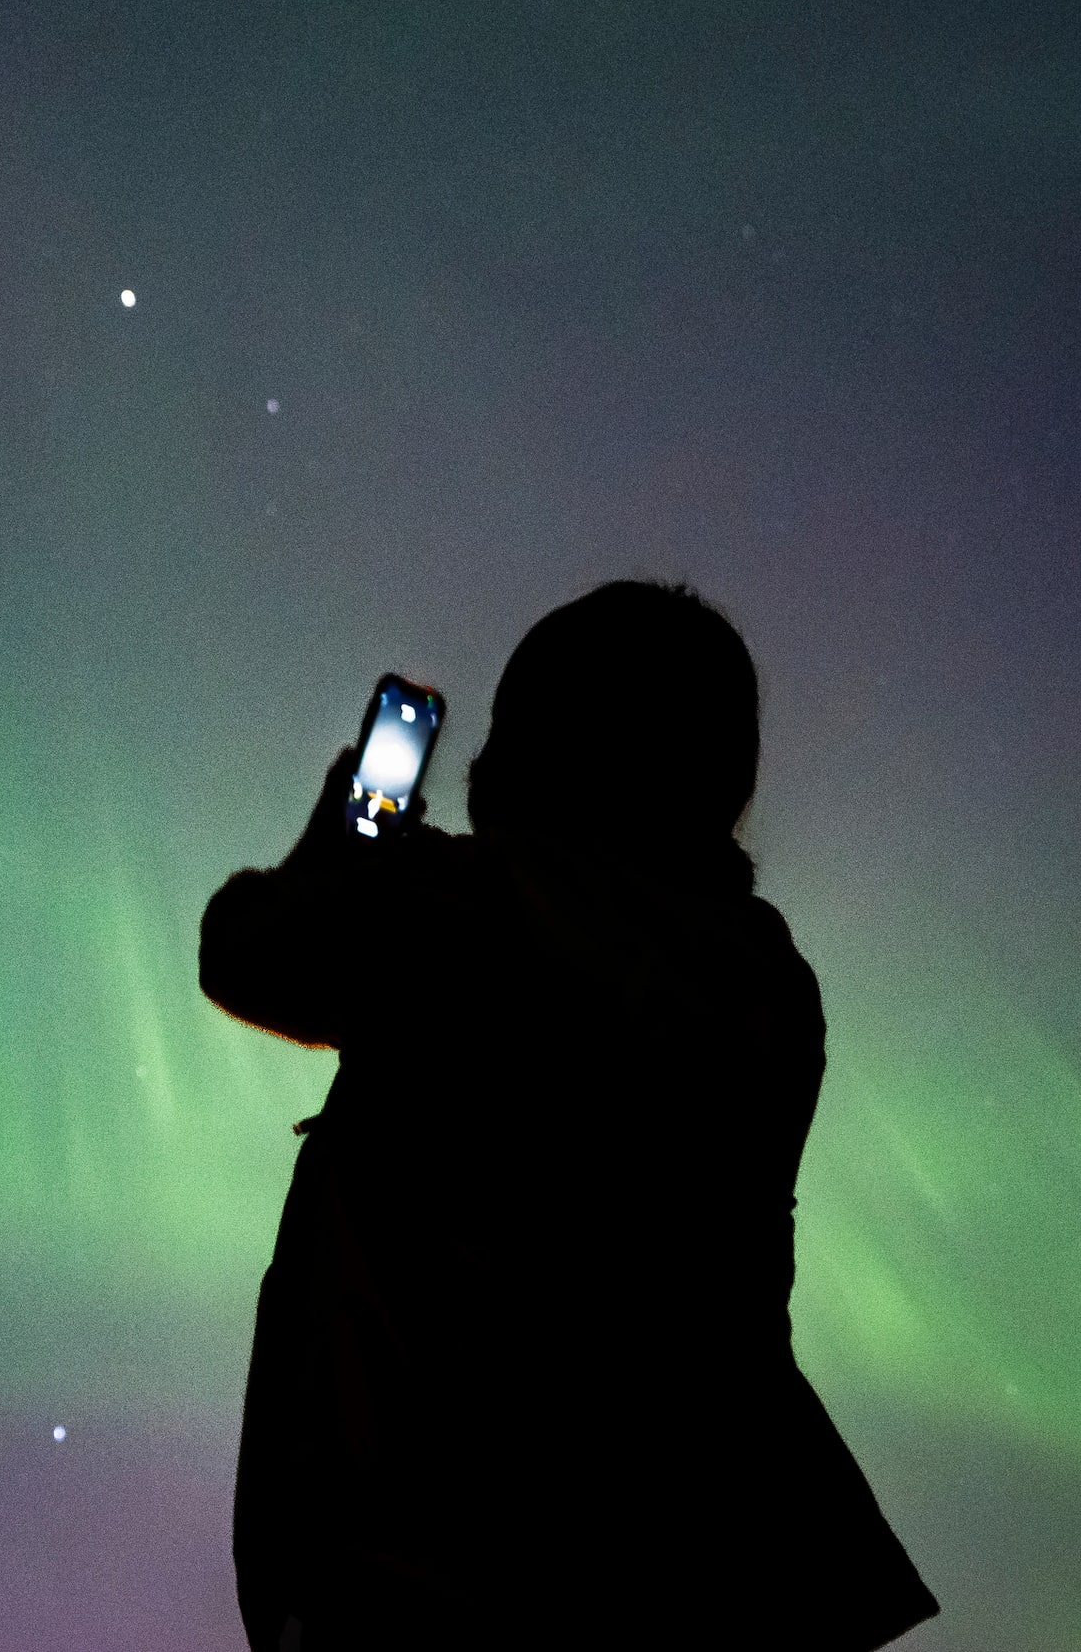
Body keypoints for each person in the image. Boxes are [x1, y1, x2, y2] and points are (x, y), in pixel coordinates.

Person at [200, 581, 938, 1652]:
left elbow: (251, 948)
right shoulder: (770, 979)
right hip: (706, 1568)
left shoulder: (466, 902)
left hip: (435, 1561)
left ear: (536, 744)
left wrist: (352, 832)